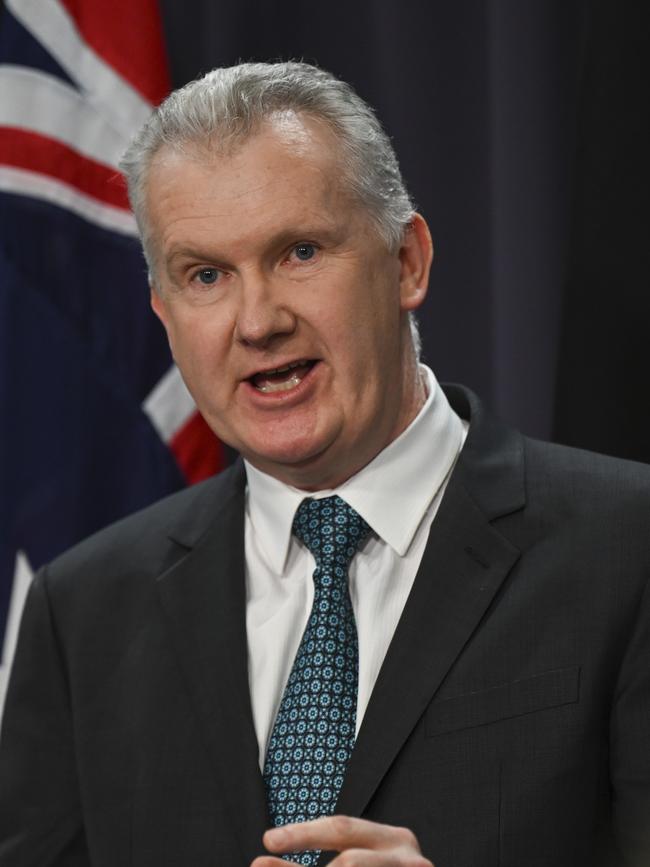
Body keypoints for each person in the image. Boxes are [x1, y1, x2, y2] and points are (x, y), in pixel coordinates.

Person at [0, 61, 649, 867]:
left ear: (406, 261)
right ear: (164, 314)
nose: (258, 321)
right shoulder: (83, 613)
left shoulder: (628, 549)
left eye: (300, 252)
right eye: (206, 275)